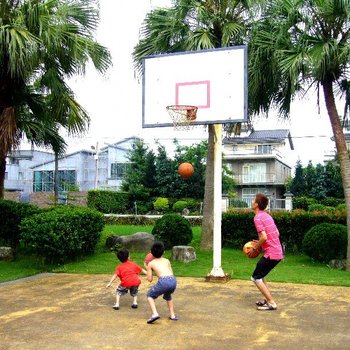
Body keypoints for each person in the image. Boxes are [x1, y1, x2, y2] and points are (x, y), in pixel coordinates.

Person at [248, 193, 284, 311]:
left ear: (257, 204)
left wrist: (255, 247)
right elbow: (276, 234)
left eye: (253, 200)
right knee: (261, 275)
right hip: (277, 253)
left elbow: (264, 237)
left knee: (255, 277)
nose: (252, 201)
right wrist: (259, 242)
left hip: (272, 254)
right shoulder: (267, 216)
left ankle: (271, 303)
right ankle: (266, 299)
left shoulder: (257, 217)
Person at [145, 241, 178, 324]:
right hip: (173, 281)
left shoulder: (151, 263)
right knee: (168, 295)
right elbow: (171, 272)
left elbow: (150, 279)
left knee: (150, 295)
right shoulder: (167, 260)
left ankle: (155, 314)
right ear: (163, 252)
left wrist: (147, 267)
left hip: (164, 281)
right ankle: (172, 315)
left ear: (151, 253)